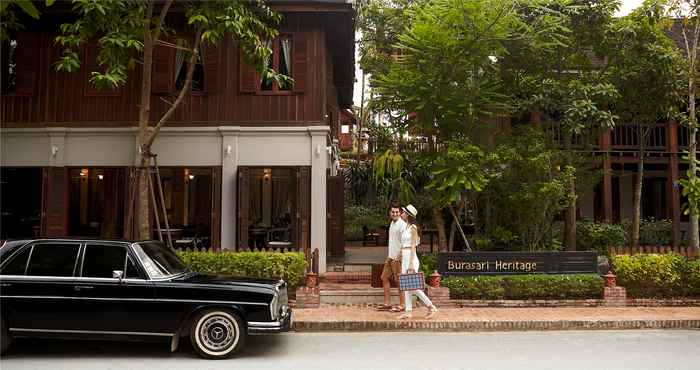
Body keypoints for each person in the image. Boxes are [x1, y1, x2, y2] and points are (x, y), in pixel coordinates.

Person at [398, 204, 438, 320]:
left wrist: (410, 263)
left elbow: (413, 246)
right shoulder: (406, 227)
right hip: (405, 257)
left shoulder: (413, 228)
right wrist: (400, 256)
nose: (402, 214)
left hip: (411, 258)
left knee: (413, 286)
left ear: (408, 215)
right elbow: (404, 245)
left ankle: (431, 306)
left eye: (404, 212)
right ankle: (408, 311)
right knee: (407, 285)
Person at [379, 205, 407, 311]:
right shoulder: (392, 223)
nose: (395, 214)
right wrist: (390, 256)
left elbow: (405, 243)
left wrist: (399, 257)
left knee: (399, 282)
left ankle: (402, 304)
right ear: (389, 213)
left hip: (397, 259)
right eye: (393, 212)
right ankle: (387, 303)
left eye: (397, 212)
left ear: (400, 213)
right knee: (384, 278)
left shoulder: (402, 225)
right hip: (390, 257)